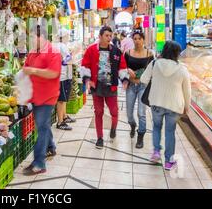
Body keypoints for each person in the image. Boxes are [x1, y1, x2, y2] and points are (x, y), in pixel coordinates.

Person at [140, 40, 191, 170]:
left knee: (157, 127)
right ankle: (168, 161)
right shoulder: (182, 69)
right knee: (170, 132)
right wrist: (187, 107)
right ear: (177, 53)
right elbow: (187, 90)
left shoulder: (155, 63)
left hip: (157, 102)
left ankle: (156, 152)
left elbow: (143, 79)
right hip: (174, 105)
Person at [23, 24, 62, 175]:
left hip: (47, 97)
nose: (31, 40)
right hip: (35, 96)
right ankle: (51, 147)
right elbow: (26, 67)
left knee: (43, 128)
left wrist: (33, 70)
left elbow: (53, 73)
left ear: (42, 37)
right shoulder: (33, 53)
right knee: (43, 125)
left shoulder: (53, 52)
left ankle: (39, 163)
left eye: (33, 37)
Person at [81, 26, 129, 148]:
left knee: (114, 112)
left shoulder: (116, 51)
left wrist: (124, 79)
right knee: (98, 112)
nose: (109, 38)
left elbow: (122, 66)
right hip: (97, 87)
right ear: (100, 36)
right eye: (106, 35)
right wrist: (87, 79)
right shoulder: (91, 50)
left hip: (111, 86)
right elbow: (85, 65)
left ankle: (113, 129)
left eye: (110, 35)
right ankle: (100, 138)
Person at [123, 30, 154, 149]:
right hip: (131, 86)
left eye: (139, 39)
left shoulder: (149, 54)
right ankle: (132, 124)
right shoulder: (128, 53)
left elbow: (152, 70)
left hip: (143, 86)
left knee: (141, 113)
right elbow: (122, 67)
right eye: (134, 39)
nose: (137, 41)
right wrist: (127, 70)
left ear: (143, 40)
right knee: (129, 113)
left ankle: (140, 136)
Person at [56, 29, 76, 131]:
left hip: (64, 75)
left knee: (64, 99)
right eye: (67, 35)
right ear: (64, 36)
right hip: (62, 76)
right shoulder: (62, 46)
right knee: (61, 100)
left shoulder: (61, 45)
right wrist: (73, 54)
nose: (68, 37)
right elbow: (66, 61)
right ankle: (60, 122)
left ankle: (64, 116)